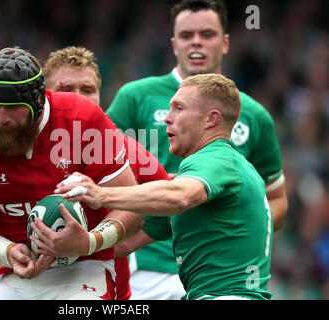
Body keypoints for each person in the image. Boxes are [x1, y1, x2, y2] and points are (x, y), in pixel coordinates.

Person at [106, 0, 287, 300]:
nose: (197, 42)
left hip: (219, 269)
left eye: (207, 34)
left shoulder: (253, 115)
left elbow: (276, 198)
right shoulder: (135, 97)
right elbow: (97, 166)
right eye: (187, 35)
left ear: (225, 42)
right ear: (174, 44)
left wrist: (226, 206)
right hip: (148, 264)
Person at [0, 46, 142, 300]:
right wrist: (7, 250)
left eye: (13, 107)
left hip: (87, 266)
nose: (2, 119)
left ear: (39, 101)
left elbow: (132, 206)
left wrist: (89, 241)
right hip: (20, 274)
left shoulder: (83, 119)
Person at [52, 73, 273, 300]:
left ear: (211, 119)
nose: (167, 118)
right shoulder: (227, 168)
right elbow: (124, 244)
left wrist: (100, 193)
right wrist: (80, 244)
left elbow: (180, 197)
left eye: (178, 108)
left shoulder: (216, 158)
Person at [42, 46, 172, 300]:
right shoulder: (22, 146)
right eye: (66, 89)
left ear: (101, 96)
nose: (78, 98)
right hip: (31, 282)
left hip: (104, 291)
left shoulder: (127, 151)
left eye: (88, 90)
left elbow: (168, 208)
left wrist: (124, 244)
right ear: (44, 95)